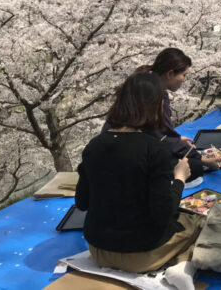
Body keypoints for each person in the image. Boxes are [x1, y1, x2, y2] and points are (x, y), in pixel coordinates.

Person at [76, 72, 203, 287]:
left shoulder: (94, 145)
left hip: (98, 250)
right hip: (142, 253)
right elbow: (163, 214)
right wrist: (179, 178)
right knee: (196, 222)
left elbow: (82, 202)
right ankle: (182, 267)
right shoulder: (153, 149)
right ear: (155, 106)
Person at [111, 49, 220, 179]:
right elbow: (158, 135)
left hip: (122, 144)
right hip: (133, 154)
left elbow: (156, 133)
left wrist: (175, 139)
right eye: (184, 75)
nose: (184, 80)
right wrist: (202, 159)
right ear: (169, 74)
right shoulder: (156, 95)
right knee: (193, 167)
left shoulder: (143, 81)